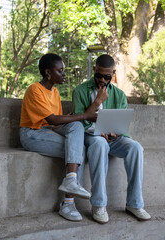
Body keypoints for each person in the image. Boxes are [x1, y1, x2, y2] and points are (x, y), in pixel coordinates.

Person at [19, 53, 100, 222]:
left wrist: (76, 118)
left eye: (64, 70)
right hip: (32, 133)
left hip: (49, 130)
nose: (64, 74)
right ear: (48, 73)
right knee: (76, 147)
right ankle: (68, 203)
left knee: (76, 131)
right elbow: (53, 119)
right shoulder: (35, 90)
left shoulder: (54, 92)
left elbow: (56, 122)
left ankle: (70, 181)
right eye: (60, 70)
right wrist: (84, 116)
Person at [72, 54, 151, 224]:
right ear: (94, 70)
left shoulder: (120, 95)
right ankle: (99, 204)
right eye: (98, 75)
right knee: (100, 144)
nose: (102, 79)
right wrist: (98, 101)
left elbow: (120, 123)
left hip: (113, 137)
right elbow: (80, 121)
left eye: (106, 77)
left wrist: (116, 132)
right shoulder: (79, 91)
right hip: (91, 136)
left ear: (112, 74)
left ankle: (134, 203)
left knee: (136, 148)